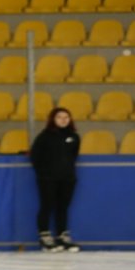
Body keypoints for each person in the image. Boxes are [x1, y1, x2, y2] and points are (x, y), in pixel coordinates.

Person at [29, 107, 81, 252]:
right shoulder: (44, 136)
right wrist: (44, 173)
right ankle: (45, 236)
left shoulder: (74, 137)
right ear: (53, 119)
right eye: (59, 117)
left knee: (62, 207)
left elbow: (73, 156)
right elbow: (35, 157)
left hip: (68, 178)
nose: (63, 120)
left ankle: (62, 236)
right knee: (47, 206)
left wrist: (68, 173)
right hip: (48, 179)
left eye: (66, 117)